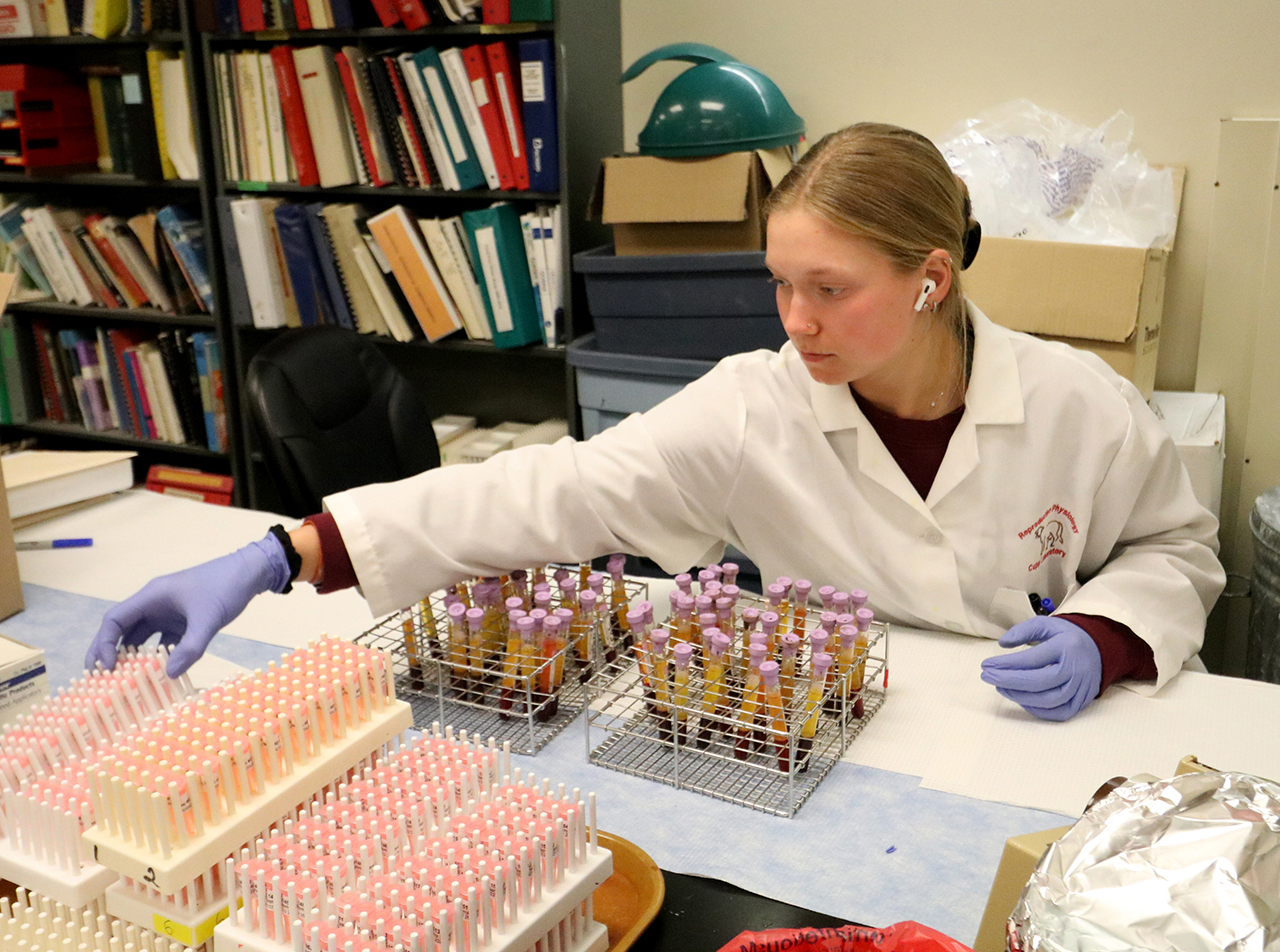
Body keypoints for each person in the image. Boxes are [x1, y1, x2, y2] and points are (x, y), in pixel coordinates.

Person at [85, 123, 1224, 722]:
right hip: (845, 735)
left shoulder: (1079, 402)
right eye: (779, 285)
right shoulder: (753, 407)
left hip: (1040, 743)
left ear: (930, 278)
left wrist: (1104, 636)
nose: (795, 322)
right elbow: (546, 491)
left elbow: (1173, 547)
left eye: (829, 289)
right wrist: (286, 550)